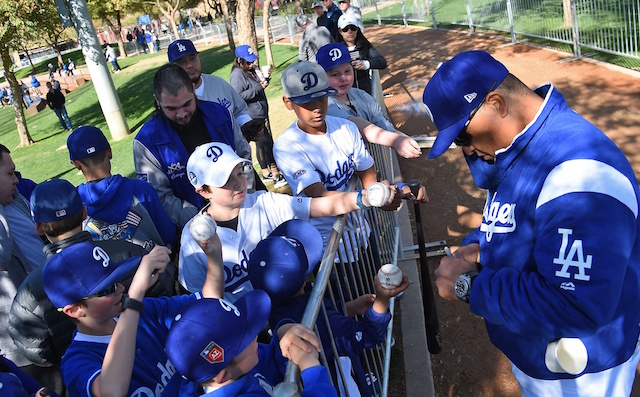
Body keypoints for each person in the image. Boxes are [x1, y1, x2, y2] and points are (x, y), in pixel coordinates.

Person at [424, 50, 640, 397]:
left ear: (496, 102)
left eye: (463, 137)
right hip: (540, 354)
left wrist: (469, 286)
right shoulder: (519, 147)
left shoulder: (579, 173)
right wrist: (485, 245)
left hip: (581, 376)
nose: (466, 151)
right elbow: (527, 216)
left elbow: (576, 305)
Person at [8, 178, 172, 397]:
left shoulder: (28, 293)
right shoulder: (129, 251)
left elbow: (35, 349)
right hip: (133, 365)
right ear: (85, 212)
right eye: (105, 288)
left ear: (37, 227)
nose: (116, 289)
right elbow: (161, 290)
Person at [178, 141, 390, 301]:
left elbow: (318, 206)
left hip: (288, 308)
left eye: (239, 173)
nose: (238, 183)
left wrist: (364, 198)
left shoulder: (263, 202)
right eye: (224, 181)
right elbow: (198, 296)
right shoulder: (192, 237)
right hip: (243, 331)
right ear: (203, 191)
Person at [273, 61, 426, 263]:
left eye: (321, 98)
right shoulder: (286, 146)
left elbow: (369, 178)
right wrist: (372, 199)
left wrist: (394, 191)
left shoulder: (346, 127)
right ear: (288, 102)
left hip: (361, 231)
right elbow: (319, 194)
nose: (317, 108)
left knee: (375, 282)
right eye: (306, 102)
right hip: (328, 249)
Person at [40, 233, 224, 397]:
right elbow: (111, 392)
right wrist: (135, 297)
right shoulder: (76, 361)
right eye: (108, 288)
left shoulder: (142, 310)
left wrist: (214, 255)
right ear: (74, 310)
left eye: (117, 280)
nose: (120, 288)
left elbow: (209, 302)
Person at [247, 219, 409, 396]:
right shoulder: (324, 323)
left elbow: (318, 313)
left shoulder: (274, 304)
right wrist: (382, 299)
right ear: (303, 279)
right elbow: (369, 335)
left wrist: (348, 308)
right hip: (336, 384)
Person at [133, 64, 254, 229]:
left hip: (243, 209)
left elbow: (243, 157)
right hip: (196, 226)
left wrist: (245, 197)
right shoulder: (147, 142)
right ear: (157, 101)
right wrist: (205, 218)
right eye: (171, 108)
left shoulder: (220, 114)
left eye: (187, 104)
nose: (182, 114)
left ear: (193, 90)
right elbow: (159, 197)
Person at [165, 290, 337, 396]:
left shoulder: (233, 367)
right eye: (245, 339)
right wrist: (311, 369)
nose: (256, 336)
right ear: (223, 376)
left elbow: (268, 359)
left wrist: (283, 331)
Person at [68, 126, 177, 251]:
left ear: (75, 163)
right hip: (154, 267)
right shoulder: (141, 190)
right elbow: (168, 237)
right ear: (110, 152)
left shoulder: (74, 203)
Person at [166, 39, 263, 158]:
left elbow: (240, 110)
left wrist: (248, 126)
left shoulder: (218, 84)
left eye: (192, 58)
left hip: (239, 163)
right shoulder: (171, 102)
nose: (189, 65)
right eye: (182, 62)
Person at [0, 144, 48, 377]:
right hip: (23, 348)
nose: (16, 180)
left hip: (50, 322)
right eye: (9, 174)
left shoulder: (15, 200)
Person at [230, 44, 287, 188]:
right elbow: (238, 96)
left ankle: (266, 172)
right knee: (266, 143)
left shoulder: (250, 70)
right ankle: (275, 174)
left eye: (252, 61)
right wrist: (258, 88)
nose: (251, 64)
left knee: (262, 144)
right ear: (239, 60)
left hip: (260, 113)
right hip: (252, 115)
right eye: (248, 62)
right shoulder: (237, 74)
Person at [317, 42, 395, 131]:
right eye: (335, 74)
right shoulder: (324, 106)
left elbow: (388, 129)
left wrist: (400, 138)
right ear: (322, 76)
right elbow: (356, 126)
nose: (343, 78)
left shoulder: (362, 96)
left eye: (347, 71)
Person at [336, 14, 386, 95]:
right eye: (345, 29)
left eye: (353, 28)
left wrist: (366, 64)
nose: (350, 31)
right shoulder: (336, 51)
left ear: (357, 29)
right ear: (340, 31)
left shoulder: (365, 46)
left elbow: (382, 62)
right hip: (348, 96)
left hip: (366, 93)